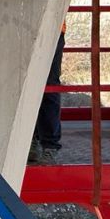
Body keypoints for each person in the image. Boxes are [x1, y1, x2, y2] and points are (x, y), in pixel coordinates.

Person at [30, 21, 67, 164]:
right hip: (28, 27)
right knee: (27, 87)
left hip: (52, 29)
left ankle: (49, 146)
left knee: (49, 87)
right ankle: (33, 140)